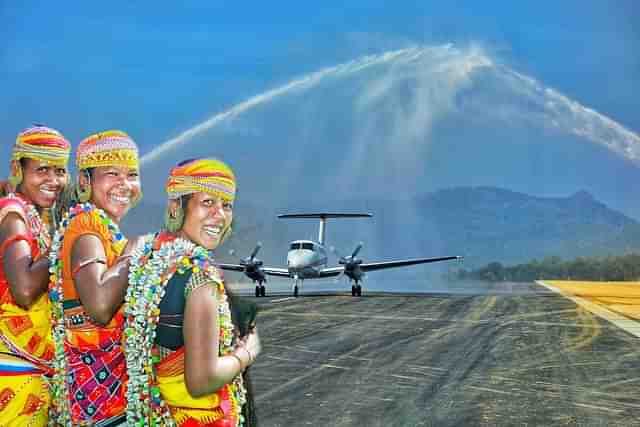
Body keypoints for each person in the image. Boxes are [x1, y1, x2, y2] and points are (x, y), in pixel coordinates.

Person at [124, 158, 261, 427]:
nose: (219, 215)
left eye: (227, 205)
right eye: (208, 202)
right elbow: (202, 380)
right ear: (177, 206)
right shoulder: (200, 278)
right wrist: (246, 354)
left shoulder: (149, 260)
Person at [48, 130, 141, 426]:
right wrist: (133, 251)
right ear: (86, 182)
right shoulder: (87, 226)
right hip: (102, 405)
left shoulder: (101, 228)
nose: (124, 184)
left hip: (104, 400)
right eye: (112, 174)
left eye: (132, 174)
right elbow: (99, 307)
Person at [0, 126, 71, 426]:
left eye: (59, 171)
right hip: (13, 376)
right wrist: (68, 237)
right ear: (18, 169)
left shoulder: (34, 216)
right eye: (42, 170)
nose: (53, 181)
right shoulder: (13, 213)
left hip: (33, 373)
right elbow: (25, 289)